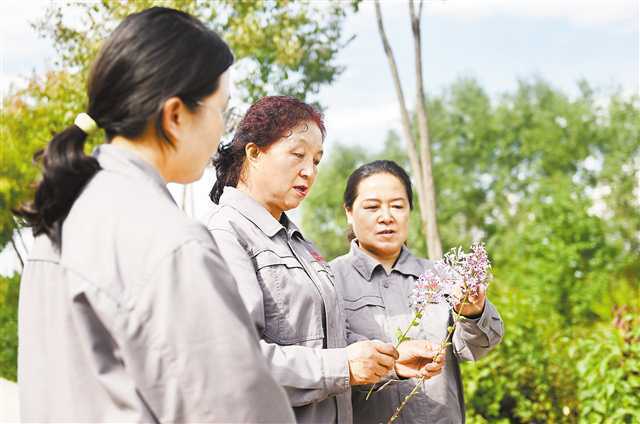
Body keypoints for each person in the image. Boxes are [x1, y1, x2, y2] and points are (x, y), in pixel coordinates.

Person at [13, 7, 294, 422]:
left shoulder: (61, 213)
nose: (223, 130)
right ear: (176, 115)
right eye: (222, 110)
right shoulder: (169, 240)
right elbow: (238, 410)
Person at [206, 96, 443, 423]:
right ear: (254, 153)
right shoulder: (226, 236)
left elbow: (329, 339)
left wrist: (391, 359)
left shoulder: (301, 246)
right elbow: (236, 361)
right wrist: (342, 366)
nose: (309, 171)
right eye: (297, 155)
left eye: (317, 160)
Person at [330, 160, 504, 423]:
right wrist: (391, 364)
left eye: (398, 206)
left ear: (410, 211)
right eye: (372, 207)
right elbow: (328, 363)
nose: (386, 217)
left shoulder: (443, 276)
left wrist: (471, 313)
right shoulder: (327, 281)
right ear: (349, 213)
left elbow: (476, 349)